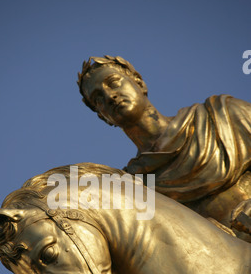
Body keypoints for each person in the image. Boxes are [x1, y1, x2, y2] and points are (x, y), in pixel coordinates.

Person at [78, 55, 251, 241]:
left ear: (139, 83)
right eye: (98, 100)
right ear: (103, 117)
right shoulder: (135, 188)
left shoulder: (222, 117)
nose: (109, 96)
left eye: (113, 83)